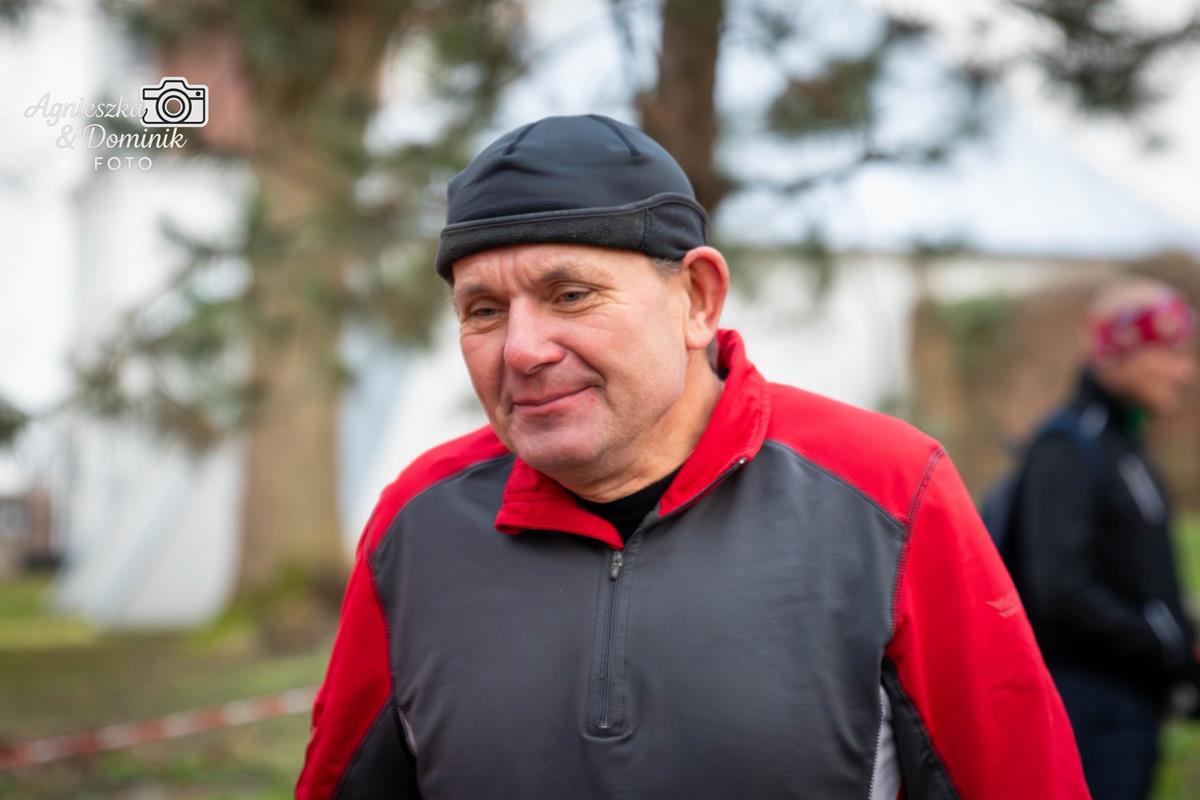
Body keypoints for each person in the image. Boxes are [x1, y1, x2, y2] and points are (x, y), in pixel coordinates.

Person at [296, 114, 1087, 799]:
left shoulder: (888, 489)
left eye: (570, 294)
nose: (523, 349)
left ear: (698, 298)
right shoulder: (418, 522)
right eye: (483, 310)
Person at [1012, 277, 1200, 800]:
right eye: (1169, 352)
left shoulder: (1122, 444)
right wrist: (1161, 643)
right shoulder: (1068, 446)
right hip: (1088, 715)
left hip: (1129, 711)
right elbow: (1061, 588)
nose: (1185, 371)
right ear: (1118, 350)